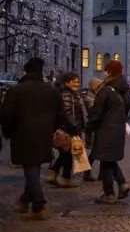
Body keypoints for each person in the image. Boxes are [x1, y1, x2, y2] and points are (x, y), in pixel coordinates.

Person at [0, 57, 75, 219]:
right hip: (44, 135)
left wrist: (8, 132)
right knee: (33, 169)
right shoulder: (51, 92)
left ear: (26, 71)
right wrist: (51, 129)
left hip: (23, 135)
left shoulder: (17, 91)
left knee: (31, 169)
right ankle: (25, 199)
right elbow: (60, 115)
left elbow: (6, 116)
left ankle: (39, 204)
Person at [89, 60, 130, 204]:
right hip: (119, 129)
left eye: (106, 70)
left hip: (105, 129)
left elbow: (96, 112)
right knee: (110, 159)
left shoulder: (106, 90)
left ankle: (109, 194)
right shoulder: (125, 90)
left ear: (110, 72)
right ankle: (122, 183)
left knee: (106, 162)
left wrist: (89, 127)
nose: (104, 72)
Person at [48, 72, 87, 188]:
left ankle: (63, 176)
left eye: (78, 81)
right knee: (67, 154)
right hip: (68, 129)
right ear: (67, 82)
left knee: (69, 154)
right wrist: (74, 126)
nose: (77, 83)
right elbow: (66, 112)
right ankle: (57, 174)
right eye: (74, 81)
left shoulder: (74, 93)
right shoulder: (66, 94)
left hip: (73, 127)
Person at [83, 78, 103, 182]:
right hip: (93, 128)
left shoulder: (95, 96)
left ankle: (101, 174)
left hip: (96, 128)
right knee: (95, 151)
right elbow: (94, 111)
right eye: (99, 86)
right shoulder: (89, 98)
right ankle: (87, 173)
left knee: (98, 151)